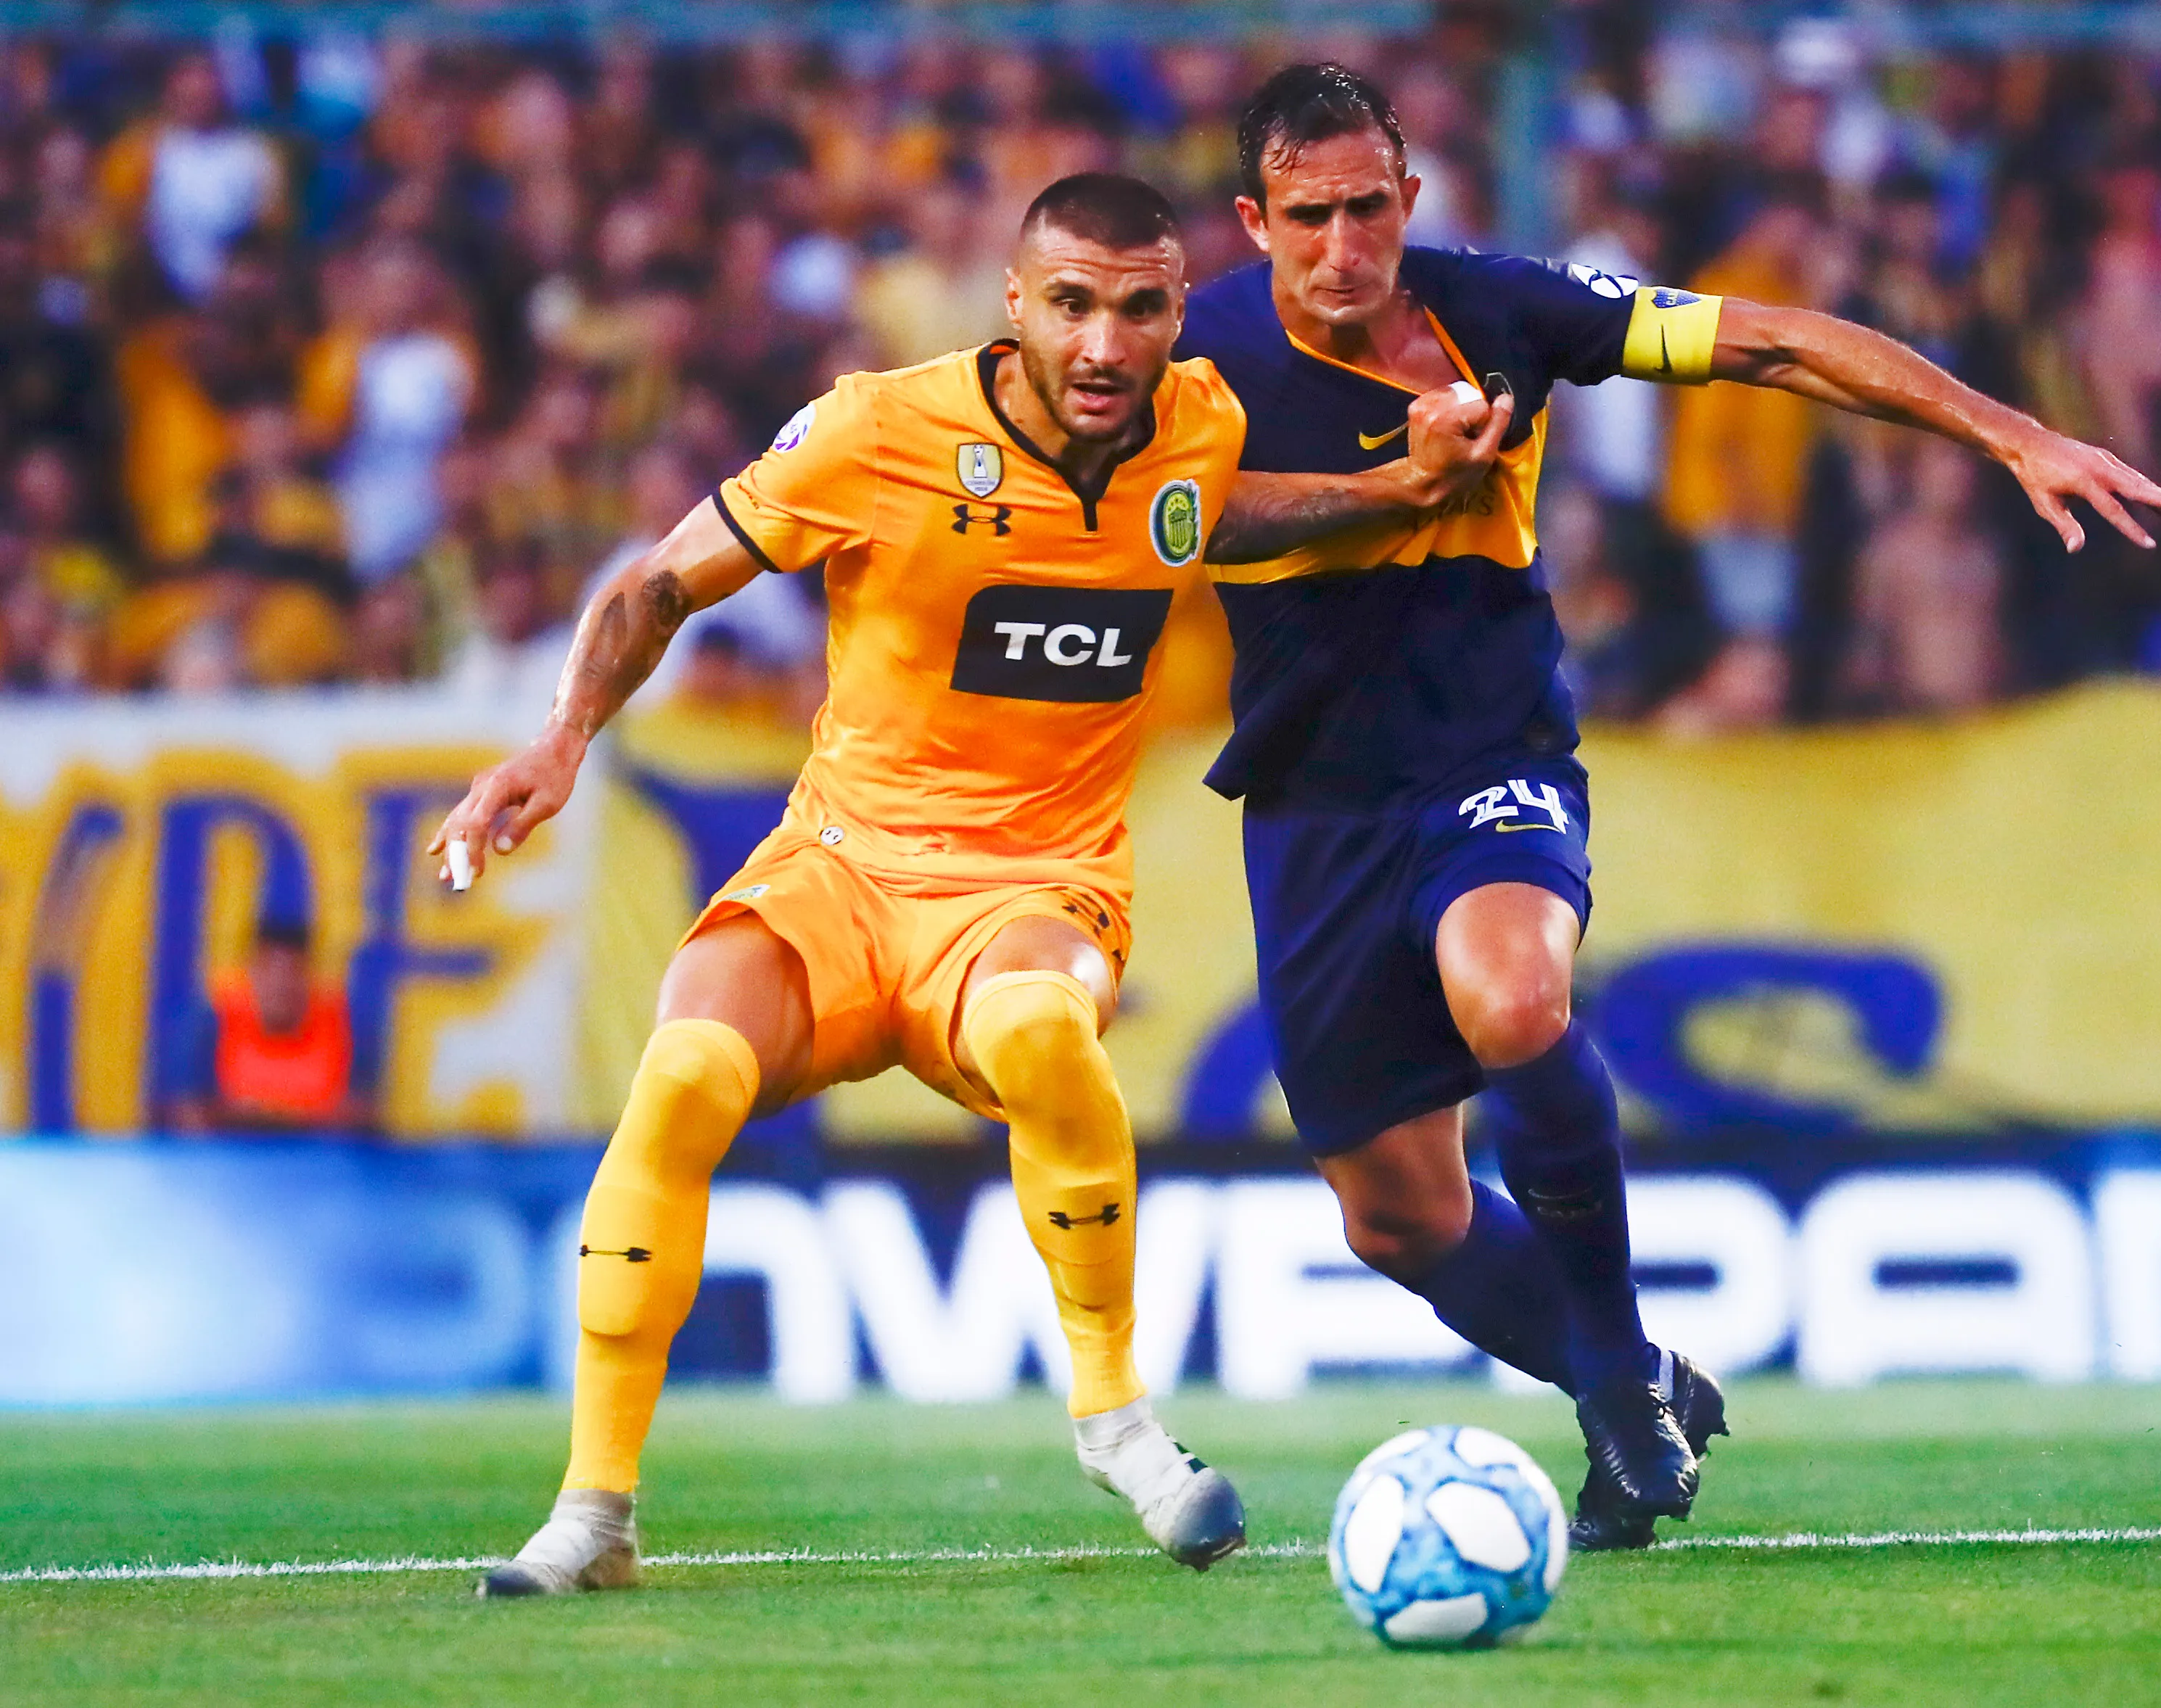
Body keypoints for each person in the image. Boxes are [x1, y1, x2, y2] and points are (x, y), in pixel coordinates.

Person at [435, 172, 1505, 1597]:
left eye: (1139, 307)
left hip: (1033, 882)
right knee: (683, 1069)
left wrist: (1392, 487)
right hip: (839, 866)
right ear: (1017, 307)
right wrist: (564, 735)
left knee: (1040, 1036)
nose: (1105, 342)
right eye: (1072, 304)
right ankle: (595, 1510)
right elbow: (658, 586)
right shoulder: (876, 428)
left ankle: (1116, 1419)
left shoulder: (1194, 424)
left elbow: (1214, 516)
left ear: (1176, 313)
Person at [1175, 63, 2161, 1550]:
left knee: (1511, 998)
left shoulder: (1503, 310)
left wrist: (2005, 432)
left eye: (1371, 209)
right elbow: (1165, 519)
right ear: (1253, 219)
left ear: (1409, 194)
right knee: (1397, 1219)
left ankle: (1614, 1401)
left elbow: (1772, 346)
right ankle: (1644, 1373)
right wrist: (1399, 483)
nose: (1346, 247)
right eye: (1310, 217)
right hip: (1313, 801)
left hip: (1487, 757)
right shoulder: (1187, 354)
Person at [162, 917, 372, 1135]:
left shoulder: (341, 1024)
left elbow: (358, 1115)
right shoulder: (211, 1021)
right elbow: (187, 1114)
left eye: (292, 972)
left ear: (309, 976)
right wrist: (298, 1115)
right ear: (252, 973)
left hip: (314, 1160)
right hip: (230, 1157)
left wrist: (254, 1114)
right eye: (269, 971)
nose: (280, 985)